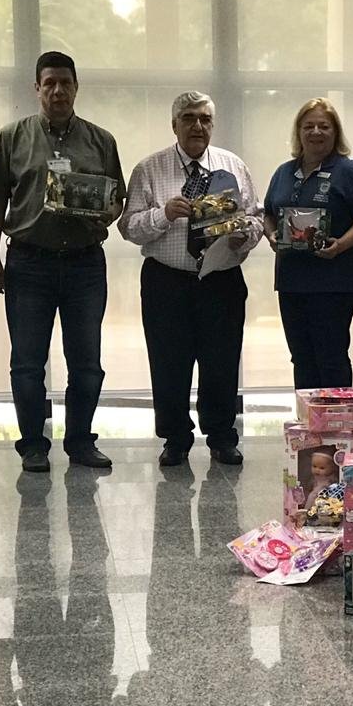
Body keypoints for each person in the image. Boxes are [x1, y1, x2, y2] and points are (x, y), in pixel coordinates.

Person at [0, 50, 125, 474]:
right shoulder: (12, 137)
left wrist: (106, 211)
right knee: (27, 363)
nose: (58, 91)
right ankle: (33, 446)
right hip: (29, 263)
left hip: (85, 264)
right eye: (50, 83)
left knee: (87, 364)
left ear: (76, 87)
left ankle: (80, 442)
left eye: (65, 83)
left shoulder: (101, 140)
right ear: (37, 88)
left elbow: (116, 198)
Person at [119, 91, 263, 468]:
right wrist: (164, 214)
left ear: (212, 124)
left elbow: (256, 217)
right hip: (167, 281)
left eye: (204, 119)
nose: (197, 125)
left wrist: (243, 235)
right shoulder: (149, 169)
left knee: (222, 361)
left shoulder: (232, 166)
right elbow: (128, 227)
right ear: (174, 125)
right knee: (169, 363)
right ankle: (175, 439)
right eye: (188, 118)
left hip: (221, 279)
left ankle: (222, 437)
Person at [265, 98, 353, 389]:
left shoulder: (349, 171)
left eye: (324, 126)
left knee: (330, 357)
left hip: (334, 282)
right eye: (309, 126)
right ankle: (307, 417)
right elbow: (267, 214)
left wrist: (341, 244)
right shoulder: (283, 172)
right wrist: (272, 235)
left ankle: (337, 416)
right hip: (291, 281)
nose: (316, 132)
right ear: (299, 132)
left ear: (335, 132)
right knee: (301, 358)